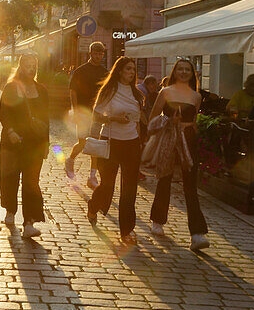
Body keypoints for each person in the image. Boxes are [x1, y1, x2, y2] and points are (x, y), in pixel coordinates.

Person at [146, 58, 210, 251]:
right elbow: (152, 119)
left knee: (190, 184)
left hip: (188, 139)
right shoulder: (165, 92)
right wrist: (168, 122)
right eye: (180, 69)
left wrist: (189, 128)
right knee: (164, 179)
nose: (183, 72)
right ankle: (157, 220)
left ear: (192, 74)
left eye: (187, 70)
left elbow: (195, 119)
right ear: (174, 72)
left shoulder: (196, 96)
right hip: (168, 138)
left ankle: (197, 234)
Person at [87, 56, 146, 245]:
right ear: (119, 70)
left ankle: (126, 231)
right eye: (128, 69)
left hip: (131, 142)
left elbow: (138, 119)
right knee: (107, 185)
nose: (131, 73)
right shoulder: (109, 90)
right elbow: (96, 115)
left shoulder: (136, 93)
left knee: (129, 189)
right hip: (111, 141)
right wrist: (113, 118)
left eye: (133, 70)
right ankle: (93, 205)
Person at [0, 53, 49, 238]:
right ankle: (10, 210)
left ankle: (29, 222)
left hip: (34, 143)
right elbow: (4, 113)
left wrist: (46, 143)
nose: (32, 68)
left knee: (31, 182)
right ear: (21, 66)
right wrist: (11, 131)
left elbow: (45, 119)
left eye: (34, 64)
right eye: (28, 64)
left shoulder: (41, 90)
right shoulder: (11, 88)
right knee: (10, 177)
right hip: (12, 141)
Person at [65, 41, 108, 188]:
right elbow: (73, 92)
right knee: (83, 142)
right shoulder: (81, 71)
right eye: (96, 53)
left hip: (97, 113)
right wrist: (75, 110)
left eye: (101, 53)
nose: (98, 56)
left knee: (95, 144)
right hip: (82, 112)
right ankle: (70, 160)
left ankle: (92, 176)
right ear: (90, 54)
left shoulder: (105, 72)